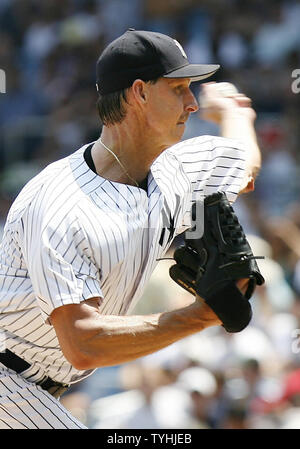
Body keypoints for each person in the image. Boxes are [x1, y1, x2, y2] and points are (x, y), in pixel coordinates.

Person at [0, 29, 261, 429]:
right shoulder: (60, 204)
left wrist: (237, 115)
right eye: (178, 89)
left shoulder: (175, 170)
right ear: (139, 92)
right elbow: (84, 343)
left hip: (38, 388)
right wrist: (197, 317)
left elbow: (245, 166)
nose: (192, 103)